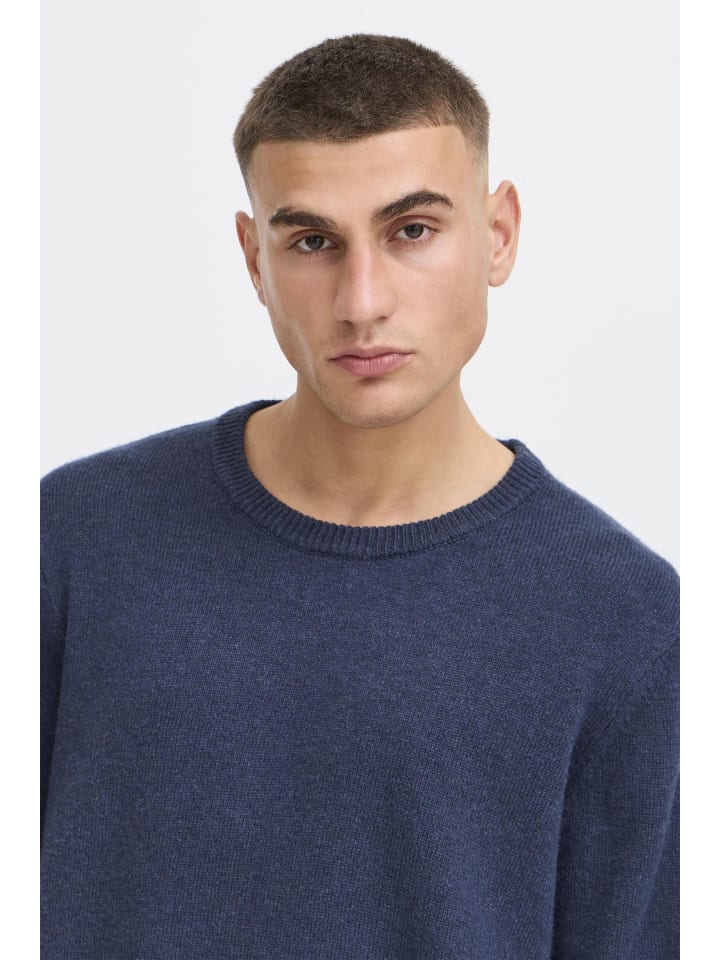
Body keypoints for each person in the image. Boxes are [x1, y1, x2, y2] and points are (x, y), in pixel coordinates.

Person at [41, 34, 679, 959]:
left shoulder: (629, 620)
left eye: (411, 230)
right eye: (312, 242)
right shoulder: (70, 544)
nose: (362, 301)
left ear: (498, 235)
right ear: (253, 259)